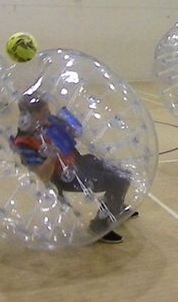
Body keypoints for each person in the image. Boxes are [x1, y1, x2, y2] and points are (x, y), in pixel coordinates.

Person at [11, 93, 135, 244]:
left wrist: (71, 129)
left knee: (124, 174)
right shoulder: (24, 143)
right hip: (64, 176)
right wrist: (51, 157)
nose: (49, 115)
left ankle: (116, 205)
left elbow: (73, 133)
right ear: (31, 115)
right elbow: (42, 177)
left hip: (79, 162)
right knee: (117, 181)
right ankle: (99, 225)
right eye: (44, 113)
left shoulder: (49, 122)